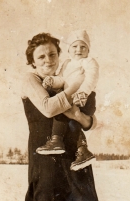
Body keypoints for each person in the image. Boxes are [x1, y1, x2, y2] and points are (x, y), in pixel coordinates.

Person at [21, 32, 104, 201]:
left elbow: (90, 122)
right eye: (41, 56)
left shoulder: (72, 74)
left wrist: (79, 113)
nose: (48, 59)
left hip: (74, 156)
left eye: (53, 54)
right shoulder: (31, 79)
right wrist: (72, 89)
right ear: (33, 62)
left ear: (61, 55)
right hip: (44, 156)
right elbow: (47, 108)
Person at [36, 30, 99, 171]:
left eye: (83, 47)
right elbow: (62, 79)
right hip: (71, 96)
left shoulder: (89, 62)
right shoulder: (67, 63)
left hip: (85, 97)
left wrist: (83, 92)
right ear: (69, 49)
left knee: (63, 112)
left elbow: (91, 78)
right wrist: (52, 81)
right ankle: (81, 150)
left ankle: (57, 140)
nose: (79, 50)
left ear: (88, 49)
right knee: (70, 120)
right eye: (75, 46)